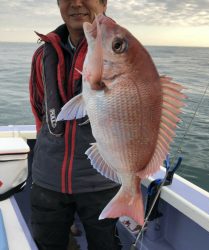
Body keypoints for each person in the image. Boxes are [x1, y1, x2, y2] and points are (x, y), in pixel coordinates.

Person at [29, 1, 121, 249]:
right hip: (48, 179)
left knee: (105, 244)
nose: (76, 3)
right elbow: (39, 107)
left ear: (103, 3)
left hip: (100, 180)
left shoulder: (120, 50)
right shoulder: (43, 54)